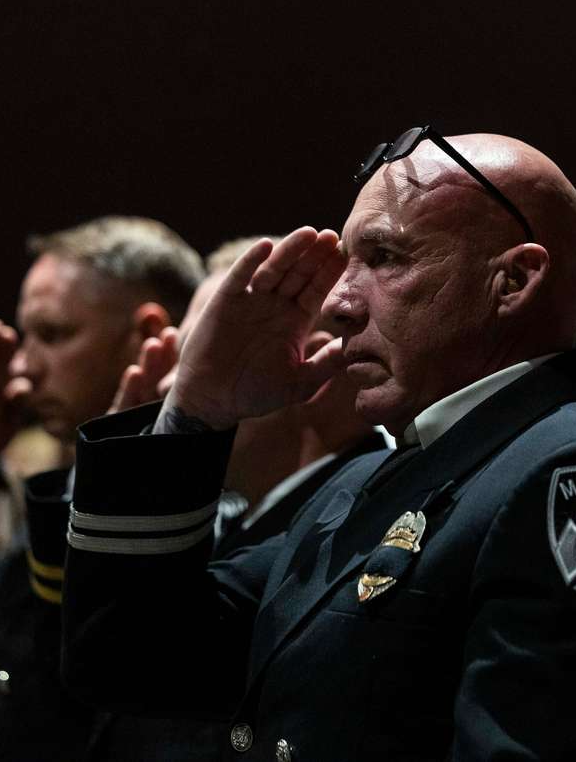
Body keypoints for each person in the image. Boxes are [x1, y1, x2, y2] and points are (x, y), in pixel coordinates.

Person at [61, 129, 576, 760]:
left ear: (513, 282)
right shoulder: (364, 479)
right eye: (348, 262)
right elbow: (131, 661)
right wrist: (193, 415)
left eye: (385, 257)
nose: (339, 304)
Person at [86, 237, 387, 761]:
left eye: (205, 355)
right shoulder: (234, 523)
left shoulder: (363, 533)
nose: (171, 385)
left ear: (307, 368)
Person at [0, 216, 204, 761]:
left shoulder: (199, 499)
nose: (21, 368)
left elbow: (70, 657)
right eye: (25, 338)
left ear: (146, 336)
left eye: (55, 334)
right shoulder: (49, 480)